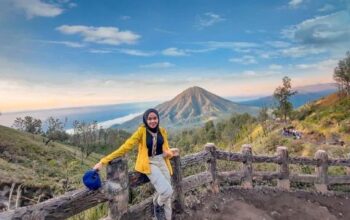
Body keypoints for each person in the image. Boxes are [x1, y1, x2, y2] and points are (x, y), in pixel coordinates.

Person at [93, 108, 177, 220]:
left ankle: (166, 217)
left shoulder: (162, 131)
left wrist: (169, 153)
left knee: (168, 195)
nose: (152, 121)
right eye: (149, 119)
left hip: (162, 161)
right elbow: (125, 147)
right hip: (149, 163)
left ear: (158, 119)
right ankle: (157, 203)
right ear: (145, 120)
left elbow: (165, 149)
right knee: (167, 191)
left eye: (155, 118)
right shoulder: (141, 132)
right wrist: (103, 161)